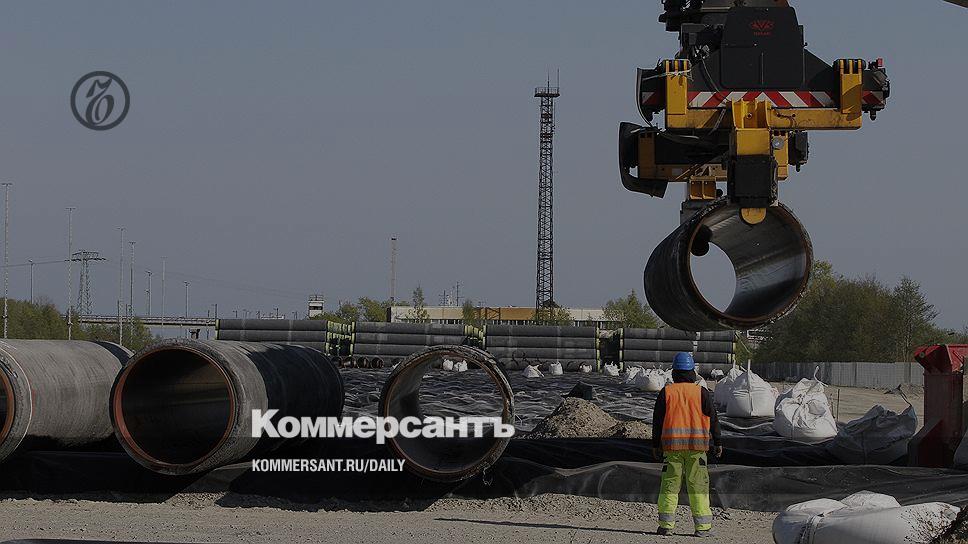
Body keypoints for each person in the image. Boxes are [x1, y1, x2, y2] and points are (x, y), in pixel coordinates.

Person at [651, 352, 723, 537]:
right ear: (692, 372)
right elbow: (713, 419)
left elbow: (657, 421)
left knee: (669, 485)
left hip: (672, 449)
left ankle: (666, 526)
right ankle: (702, 528)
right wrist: (718, 441)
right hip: (697, 450)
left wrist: (655, 445)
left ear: (674, 372)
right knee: (698, 487)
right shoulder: (701, 392)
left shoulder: (667, 392)